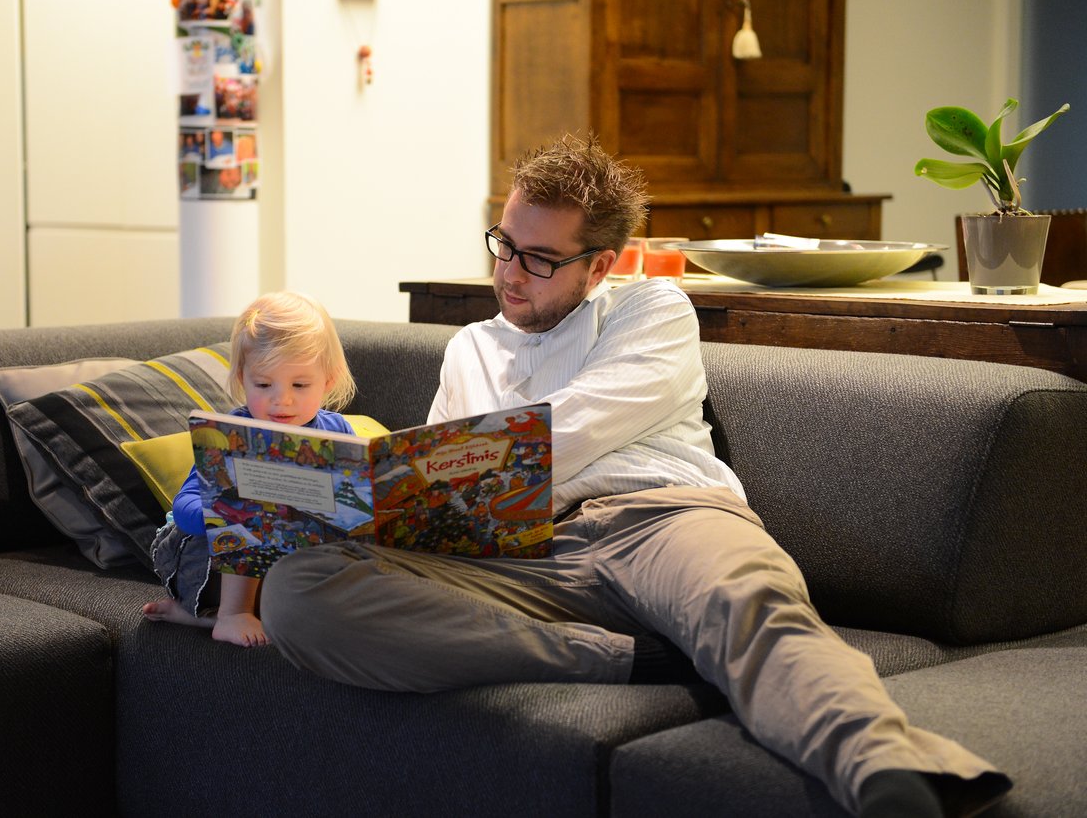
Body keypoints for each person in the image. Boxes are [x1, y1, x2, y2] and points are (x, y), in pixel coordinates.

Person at [259, 134, 1012, 816]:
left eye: (540, 259)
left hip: (664, 520)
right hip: (523, 557)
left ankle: (890, 780)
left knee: (752, 607)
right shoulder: (470, 349)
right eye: (504, 244)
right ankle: (629, 659)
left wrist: (435, 472)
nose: (509, 274)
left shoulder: (652, 309)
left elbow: (564, 435)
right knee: (298, 591)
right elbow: (448, 491)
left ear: (600, 266)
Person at [143, 291, 357, 646]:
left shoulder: (337, 433)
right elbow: (184, 508)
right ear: (242, 378)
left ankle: (198, 619)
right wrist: (231, 513)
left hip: (285, 566)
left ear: (328, 381)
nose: (282, 399)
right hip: (202, 562)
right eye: (263, 384)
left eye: (300, 385)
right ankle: (230, 614)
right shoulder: (230, 435)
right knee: (257, 520)